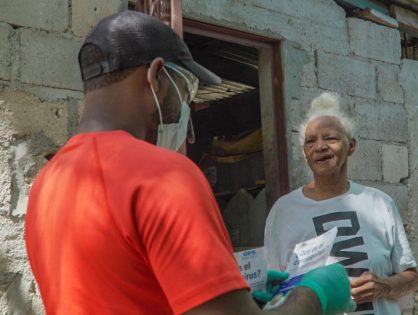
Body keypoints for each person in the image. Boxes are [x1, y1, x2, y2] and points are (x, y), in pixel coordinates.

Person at [25, 11, 354, 315]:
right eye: (185, 90)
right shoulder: (163, 176)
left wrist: (231, 292)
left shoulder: (46, 186)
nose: (186, 108)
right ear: (156, 75)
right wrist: (314, 295)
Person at [265, 92, 418, 315]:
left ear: (352, 146)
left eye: (331, 138)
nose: (320, 147)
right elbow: (273, 288)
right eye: (311, 141)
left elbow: (411, 276)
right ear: (305, 153)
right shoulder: (284, 211)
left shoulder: (379, 203)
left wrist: (384, 287)